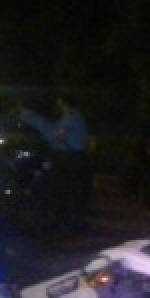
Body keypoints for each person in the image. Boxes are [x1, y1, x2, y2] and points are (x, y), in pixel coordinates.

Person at [19, 94, 91, 230]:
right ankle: (72, 220)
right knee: (72, 190)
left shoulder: (70, 117)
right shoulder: (76, 116)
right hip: (75, 157)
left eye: (59, 103)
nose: (58, 106)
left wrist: (33, 119)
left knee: (64, 190)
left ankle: (67, 221)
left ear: (62, 103)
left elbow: (54, 135)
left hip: (68, 158)